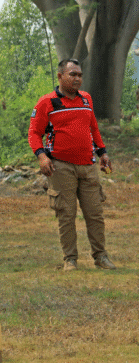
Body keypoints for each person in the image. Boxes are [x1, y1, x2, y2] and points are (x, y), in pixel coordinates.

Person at [28, 59, 116, 271]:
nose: (77, 78)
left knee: (95, 214)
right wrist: (42, 157)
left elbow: (93, 128)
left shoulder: (86, 99)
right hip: (60, 167)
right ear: (60, 76)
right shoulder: (47, 102)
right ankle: (70, 259)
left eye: (79, 75)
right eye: (72, 74)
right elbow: (34, 133)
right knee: (66, 215)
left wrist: (102, 152)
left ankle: (101, 257)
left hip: (88, 165)